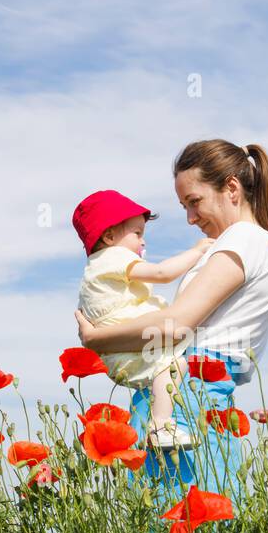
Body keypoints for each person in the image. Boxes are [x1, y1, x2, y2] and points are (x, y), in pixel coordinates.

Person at [75, 140, 268, 505]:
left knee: (175, 527)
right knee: (201, 524)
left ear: (231, 188)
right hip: (193, 390)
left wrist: (97, 340)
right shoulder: (248, 243)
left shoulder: (243, 240)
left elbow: (177, 325)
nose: (191, 219)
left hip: (187, 393)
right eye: (184, 207)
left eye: (194, 202)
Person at [73, 189, 215, 449]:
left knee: (166, 370)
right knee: (174, 365)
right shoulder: (115, 256)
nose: (143, 243)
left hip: (118, 355)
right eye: (137, 234)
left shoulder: (93, 271)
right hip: (132, 347)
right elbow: (162, 273)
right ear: (109, 236)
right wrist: (198, 252)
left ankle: (157, 421)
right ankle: (160, 426)